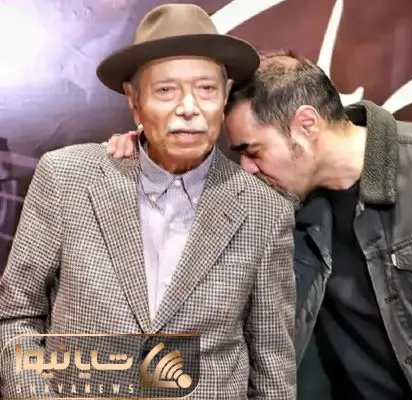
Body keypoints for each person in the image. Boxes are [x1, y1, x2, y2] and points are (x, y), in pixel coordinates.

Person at [106, 51, 412, 400]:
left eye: (253, 151)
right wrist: (149, 155)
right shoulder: (282, 209)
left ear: (306, 126)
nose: (248, 170)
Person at [0, 5, 296, 399]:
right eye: (166, 90)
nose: (188, 108)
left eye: (206, 89)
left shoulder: (265, 211)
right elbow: (16, 317)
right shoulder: (67, 178)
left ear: (225, 95)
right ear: (134, 101)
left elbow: (272, 369)